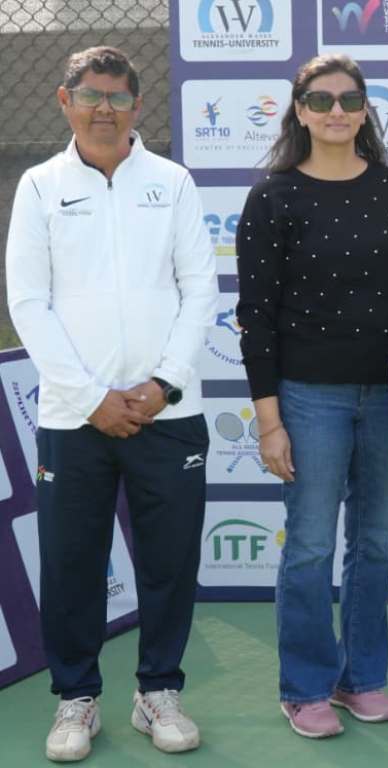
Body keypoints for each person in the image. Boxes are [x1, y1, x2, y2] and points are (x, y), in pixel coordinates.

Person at [5, 46, 217, 762]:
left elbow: (200, 289)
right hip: (75, 418)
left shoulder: (173, 181)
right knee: (72, 561)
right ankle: (76, 698)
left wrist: (164, 385)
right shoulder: (39, 185)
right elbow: (28, 302)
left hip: (168, 414)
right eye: (91, 95)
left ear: (137, 105)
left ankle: (159, 691)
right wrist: (92, 397)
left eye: (119, 97)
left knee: (169, 562)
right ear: (64, 101)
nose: (105, 109)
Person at [235, 53, 388, 738]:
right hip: (309, 397)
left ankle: (361, 679)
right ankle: (305, 687)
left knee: (373, 545)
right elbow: (256, 316)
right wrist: (269, 421)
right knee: (310, 545)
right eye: (320, 100)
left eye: (348, 99)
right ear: (300, 111)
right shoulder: (273, 197)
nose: (336, 111)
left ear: (366, 110)